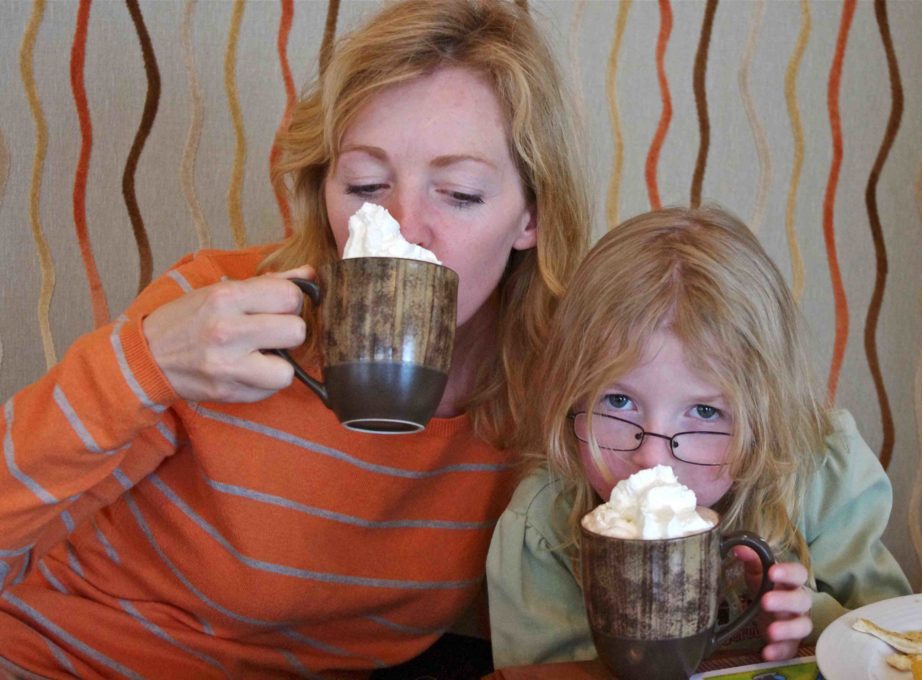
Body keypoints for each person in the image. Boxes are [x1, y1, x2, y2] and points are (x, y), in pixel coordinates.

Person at [0, 0, 590, 676]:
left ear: (530, 219)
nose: (401, 226)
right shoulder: (220, 321)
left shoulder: (549, 393)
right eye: (365, 184)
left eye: (457, 193)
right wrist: (141, 364)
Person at [486, 206, 912, 669]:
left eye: (705, 411)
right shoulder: (545, 523)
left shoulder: (822, 475)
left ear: (763, 419)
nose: (651, 458)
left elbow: (900, 646)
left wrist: (812, 626)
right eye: (618, 402)